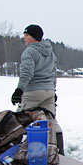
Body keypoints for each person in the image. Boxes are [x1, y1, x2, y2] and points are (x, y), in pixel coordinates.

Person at [11, 24, 64, 155]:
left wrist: (19, 90)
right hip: (48, 91)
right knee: (51, 122)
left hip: (33, 91)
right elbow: (53, 73)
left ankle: (12, 151)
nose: (24, 38)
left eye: (27, 35)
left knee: (19, 120)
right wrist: (53, 90)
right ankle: (59, 152)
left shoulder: (30, 51)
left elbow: (26, 73)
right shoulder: (50, 52)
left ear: (34, 37)